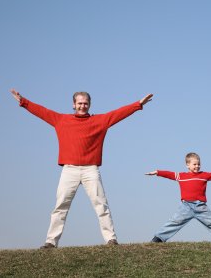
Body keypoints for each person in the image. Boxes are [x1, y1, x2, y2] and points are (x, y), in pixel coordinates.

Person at [10, 88, 153, 248]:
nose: (82, 106)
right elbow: (42, 111)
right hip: (69, 170)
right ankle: (51, 242)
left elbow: (118, 113)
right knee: (60, 206)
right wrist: (23, 101)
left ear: (89, 105)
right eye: (79, 103)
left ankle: (111, 239)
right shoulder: (61, 120)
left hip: (90, 170)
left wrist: (138, 104)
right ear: (73, 105)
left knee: (101, 204)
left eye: (85, 103)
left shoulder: (100, 121)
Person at [145, 152, 211, 243]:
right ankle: (158, 238)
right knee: (174, 222)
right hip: (186, 207)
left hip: (201, 207)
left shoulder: (204, 175)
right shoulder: (181, 176)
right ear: (187, 165)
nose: (197, 166)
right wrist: (157, 172)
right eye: (194, 164)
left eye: (199, 164)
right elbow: (169, 174)